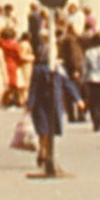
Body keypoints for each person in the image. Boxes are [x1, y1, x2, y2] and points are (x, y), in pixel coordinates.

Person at [26, 47, 80, 178]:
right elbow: (67, 84)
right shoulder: (55, 69)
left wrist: (30, 103)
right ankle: (45, 152)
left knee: (44, 129)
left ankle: (44, 151)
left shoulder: (44, 69)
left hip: (42, 102)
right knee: (47, 129)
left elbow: (33, 88)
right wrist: (77, 99)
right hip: (53, 102)